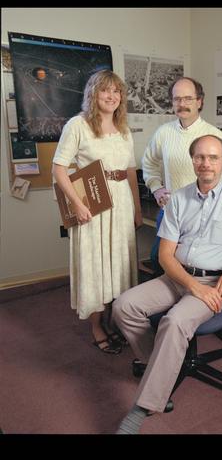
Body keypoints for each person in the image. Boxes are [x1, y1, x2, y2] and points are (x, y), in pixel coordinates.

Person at [113, 134, 222, 434]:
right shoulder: (179, 199)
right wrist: (192, 286)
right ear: (192, 161)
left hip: (215, 282)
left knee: (175, 321)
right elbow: (165, 256)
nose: (206, 163)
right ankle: (162, 368)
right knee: (124, 306)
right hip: (177, 276)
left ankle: (143, 408)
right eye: (200, 157)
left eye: (213, 157)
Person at [52, 70, 143, 355]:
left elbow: (130, 171)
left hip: (122, 203)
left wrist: (137, 209)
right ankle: (97, 326)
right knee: (96, 267)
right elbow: (59, 169)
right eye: (106, 90)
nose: (112, 96)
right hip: (93, 206)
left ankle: (117, 320)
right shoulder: (77, 125)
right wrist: (78, 205)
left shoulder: (124, 129)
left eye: (117, 91)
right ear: (93, 93)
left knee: (119, 264)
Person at [142, 77, 222, 267]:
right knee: (160, 263)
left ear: (199, 101)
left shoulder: (214, 135)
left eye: (188, 98)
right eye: (177, 99)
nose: (182, 104)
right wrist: (156, 188)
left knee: (192, 267)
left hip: (203, 219)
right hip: (170, 215)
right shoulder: (163, 133)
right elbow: (149, 163)